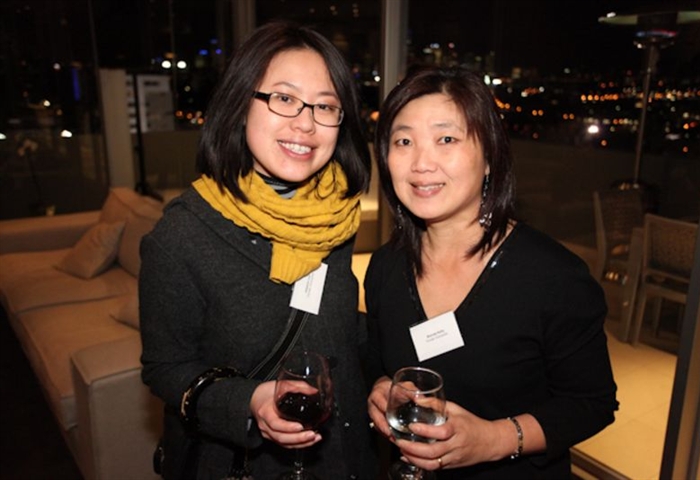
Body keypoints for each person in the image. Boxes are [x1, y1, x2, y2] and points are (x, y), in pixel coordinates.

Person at [140, 21, 377, 480]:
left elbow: (332, 324)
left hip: (345, 457)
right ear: (239, 104)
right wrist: (248, 400)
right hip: (246, 465)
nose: (306, 123)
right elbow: (165, 368)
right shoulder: (181, 235)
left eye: (325, 106)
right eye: (284, 99)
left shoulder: (335, 214)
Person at [365, 65, 618, 479]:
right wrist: (380, 387)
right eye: (404, 141)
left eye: (446, 139)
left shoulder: (553, 277)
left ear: (489, 157)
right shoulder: (384, 267)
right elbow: (378, 363)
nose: (421, 163)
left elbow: (591, 403)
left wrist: (495, 439)